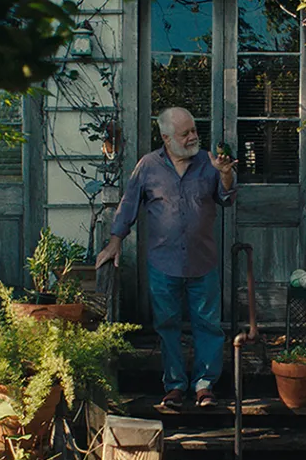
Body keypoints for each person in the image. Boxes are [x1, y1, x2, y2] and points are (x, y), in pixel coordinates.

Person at [95, 107, 238, 408]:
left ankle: (204, 386)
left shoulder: (209, 163)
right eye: (185, 133)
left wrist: (226, 175)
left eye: (194, 130)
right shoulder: (148, 166)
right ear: (166, 137)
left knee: (208, 325)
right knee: (167, 325)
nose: (193, 137)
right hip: (164, 263)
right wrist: (114, 243)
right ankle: (174, 385)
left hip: (203, 261)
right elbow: (129, 203)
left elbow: (226, 198)